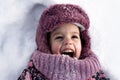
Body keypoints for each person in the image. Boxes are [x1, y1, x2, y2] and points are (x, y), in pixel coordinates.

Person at [18, 4, 109, 80]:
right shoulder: (33, 73)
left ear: (83, 42)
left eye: (74, 36)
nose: (68, 42)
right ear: (47, 44)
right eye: (59, 37)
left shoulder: (93, 71)